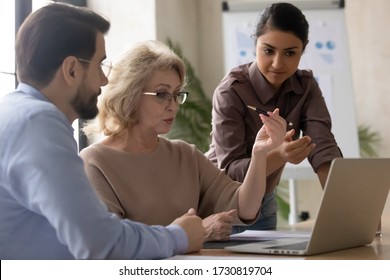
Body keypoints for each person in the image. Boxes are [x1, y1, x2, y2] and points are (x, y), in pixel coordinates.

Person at [0, 3, 205, 260]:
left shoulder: (14, 111)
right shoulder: (39, 124)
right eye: (99, 65)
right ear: (71, 69)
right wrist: (178, 236)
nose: (104, 80)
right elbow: (101, 242)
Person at [80, 40, 286, 242]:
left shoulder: (186, 155)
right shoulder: (95, 162)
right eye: (161, 94)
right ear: (130, 94)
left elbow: (244, 208)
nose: (173, 105)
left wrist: (259, 154)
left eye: (177, 94)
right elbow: (112, 244)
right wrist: (193, 233)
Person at [205, 2, 342, 232]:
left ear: (303, 48)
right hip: (221, 202)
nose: (278, 64)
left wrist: (345, 208)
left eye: (290, 53)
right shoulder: (231, 90)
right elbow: (231, 170)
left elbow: (323, 148)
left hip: (264, 203)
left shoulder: (306, 87)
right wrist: (279, 156)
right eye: (268, 50)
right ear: (255, 44)